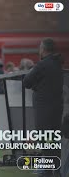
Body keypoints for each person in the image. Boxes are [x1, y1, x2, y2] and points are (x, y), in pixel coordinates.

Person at [24, 38, 63, 177]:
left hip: (44, 109)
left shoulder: (42, 64)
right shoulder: (58, 63)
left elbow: (27, 82)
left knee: (45, 139)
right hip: (57, 108)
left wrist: (36, 86)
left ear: (44, 49)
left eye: (40, 48)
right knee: (54, 140)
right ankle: (57, 171)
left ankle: (47, 171)